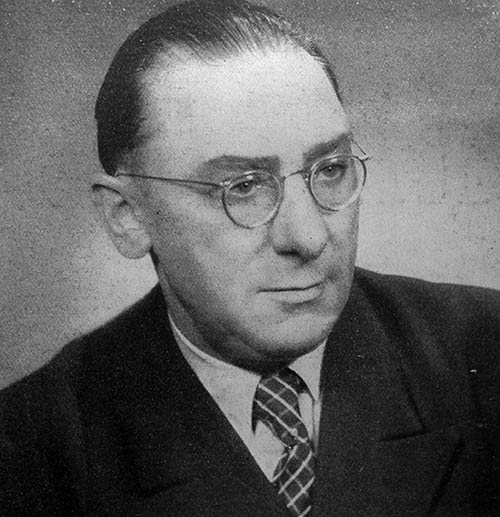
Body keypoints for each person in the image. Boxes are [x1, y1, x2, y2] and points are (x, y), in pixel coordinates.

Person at [1, 0, 499, 515]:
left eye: (330, 169)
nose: (308, 238)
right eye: (242, 187)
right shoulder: (33, 451)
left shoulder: (486, 357)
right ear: (128, 216)